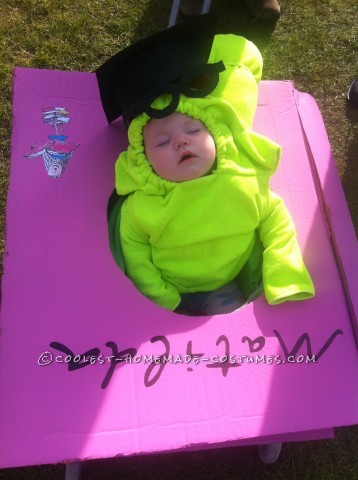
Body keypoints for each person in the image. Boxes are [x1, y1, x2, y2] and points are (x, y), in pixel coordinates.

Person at [97, 15, 314, 314]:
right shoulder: (140, 209)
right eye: (161, 142)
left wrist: (284, 273)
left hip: (234, 282)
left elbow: (277, 220)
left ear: (216, 134)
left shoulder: (243, 182)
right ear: (142, 157)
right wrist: (168, 302)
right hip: (176, 293)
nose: (180, 142)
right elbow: (135, 259)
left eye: (194, 130)